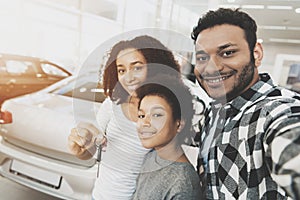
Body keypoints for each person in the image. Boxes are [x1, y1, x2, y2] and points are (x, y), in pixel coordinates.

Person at [191, 8, 300, 199]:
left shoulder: (278, 111)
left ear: (256, 54)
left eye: (227, 53)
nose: (212, 67)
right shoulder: (214, 112)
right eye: (202, 57)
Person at [68, 35, 181, 200]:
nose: (129, 77)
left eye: (137, 67)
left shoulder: (167, 111)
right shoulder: (112, 105)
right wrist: (80, 149)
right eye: (122, 70)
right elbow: (91, 153)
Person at [132, 74, 202, 200]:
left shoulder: (184, 182)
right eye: (141, 115)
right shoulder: (151, 156)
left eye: (157, 115)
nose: (144, 123)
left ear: (179, 124)